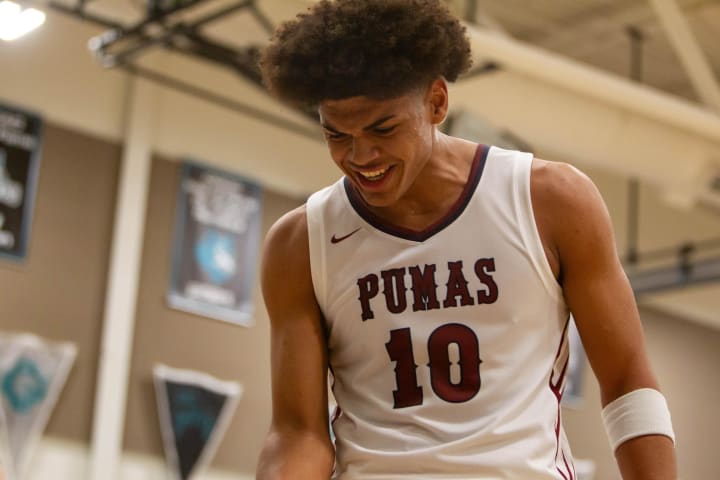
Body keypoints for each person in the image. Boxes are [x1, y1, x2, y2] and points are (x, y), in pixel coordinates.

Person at [255, 1, 677, 478]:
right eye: (337, 135)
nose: (361, 155)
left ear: (437, 102)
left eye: (383, 129)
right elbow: (298, 433)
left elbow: (627, 382)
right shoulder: (300, 242)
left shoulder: (550, 201)